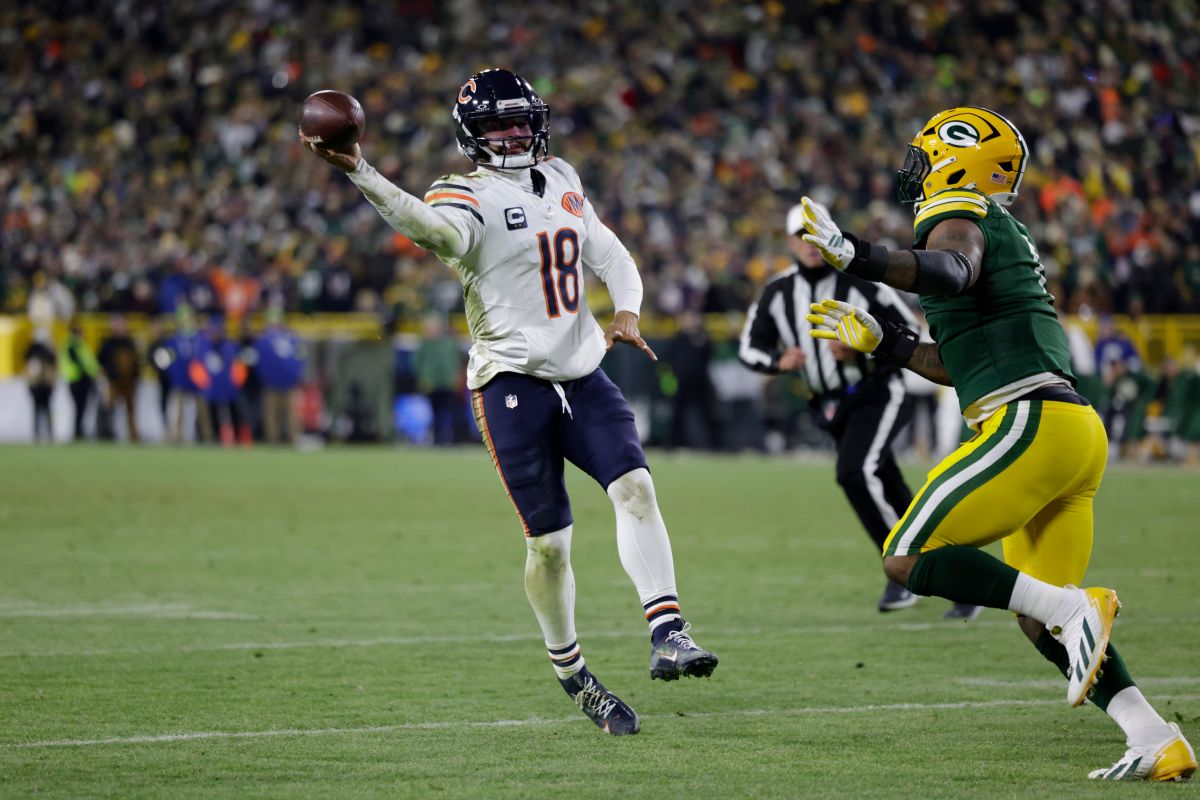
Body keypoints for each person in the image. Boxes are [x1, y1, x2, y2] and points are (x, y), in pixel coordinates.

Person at [303, 68, 717, 736]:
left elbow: (612, 255)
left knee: (636, 488)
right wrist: (362, 172)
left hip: (583, 373)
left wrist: (628, 310)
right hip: (511, 383)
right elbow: (437, 235)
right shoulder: (464, 192)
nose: (515, 133)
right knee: (550, 546)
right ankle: (573, 673)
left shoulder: (562, 177)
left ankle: (669, 630)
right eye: (499, 125)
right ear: (473, 135)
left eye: (522, 120)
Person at [798, 106, 1195, 781]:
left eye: (925, 156)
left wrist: (856, 256)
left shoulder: (959, 211)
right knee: (1041, 621)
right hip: (1069, 432)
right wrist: (890, 343)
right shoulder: (1000, 229)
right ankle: (1154, 736)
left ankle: (1077, 607)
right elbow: (965, 362)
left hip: (1028, 424)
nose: (916, 170)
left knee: (908, 555)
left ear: (959, 161)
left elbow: (953, 268)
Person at [740, 204, 979, 620]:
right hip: (830, 404)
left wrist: (866, 345)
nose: (809, 244)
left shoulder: (861, 282)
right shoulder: (778, 292)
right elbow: (749, 347)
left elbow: (910, 329)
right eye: (800, 236)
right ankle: (962, 579)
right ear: (790, 243)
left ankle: (902, 568)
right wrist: (778, 361)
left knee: (854, 472)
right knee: (892, 489)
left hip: (877, 391)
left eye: (814, 234)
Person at [411, 313, 465, 446]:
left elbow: (456, 361)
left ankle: (454, 437)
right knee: (433, 412)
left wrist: (456, 377)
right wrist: (422, 378)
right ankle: (436, 437)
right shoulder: (424, 345)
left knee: (452, 411)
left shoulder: (450, 343)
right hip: (431, 384)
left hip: (448, 383)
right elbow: (416, 364)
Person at [254, 307, 306, 444]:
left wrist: (295, 375)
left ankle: (293, 439)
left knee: (291, 414)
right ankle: (273, 441)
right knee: (271, 414)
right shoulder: (264, 340)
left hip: (288, 383)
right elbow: (260, 362)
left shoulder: (292, 338)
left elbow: (301, 358)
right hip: (272, 383)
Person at [97, 314, 141, 442]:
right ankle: (105, 433)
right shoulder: (107, 343)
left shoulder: (129, 342)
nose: (119, 327)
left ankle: (133, 435)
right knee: (109, 407)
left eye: (121, 324)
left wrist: (135, 375)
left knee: (131, 409)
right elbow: (101, 361)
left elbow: (135, 361)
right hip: (113, 381)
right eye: (117, 324)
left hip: (129, 381)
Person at [60, 322, 99, 441]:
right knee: (79, 407)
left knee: (82, 407)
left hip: (85, 380)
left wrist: (96, 372)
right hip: (76, 380)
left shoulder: (82, 346)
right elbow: (79, 362)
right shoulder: (71, 346)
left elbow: (91, 362)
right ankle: (77, 432)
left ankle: (79, 430)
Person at [23, 328, 57, 443]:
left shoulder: (44, 350)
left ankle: (46, 433)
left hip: (43, 384)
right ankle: (39, 433)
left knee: (43, 409)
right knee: (40, 409)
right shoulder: (34, 349)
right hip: (39, 384)